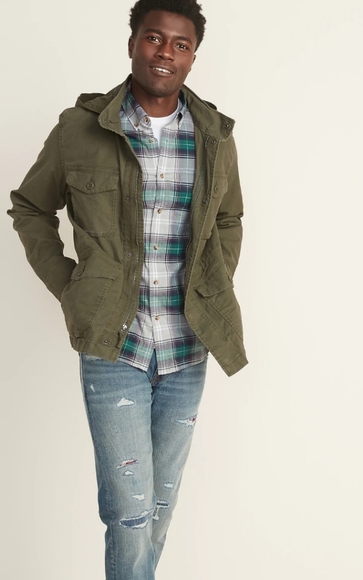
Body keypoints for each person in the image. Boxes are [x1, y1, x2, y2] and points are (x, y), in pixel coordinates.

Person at [8, 0, 247, 577]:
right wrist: (72, 287)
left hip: (188, 347)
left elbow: (228, 219)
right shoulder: (80, 128)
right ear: (133, 42)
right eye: (154, 38)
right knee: (129, 514)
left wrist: (211, 284)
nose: (166, 52)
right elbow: (30, 207)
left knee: (159, 508)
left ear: (193, 57)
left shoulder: (214, 135)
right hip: (115, 346)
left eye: (181, 44)